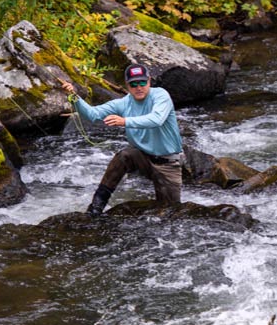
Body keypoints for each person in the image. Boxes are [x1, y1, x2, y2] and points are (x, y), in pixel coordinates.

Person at [60, 64, 184, 216]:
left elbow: (156, 119)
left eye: (142, 82)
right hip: (143, 157)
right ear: (127, 85)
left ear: (149, 81)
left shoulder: (160, 95)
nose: (138, 87)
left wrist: (124, 121)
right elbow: (92, 114)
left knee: (171, 213)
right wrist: (74, 97)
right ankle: (96, 207)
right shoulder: (123, 103)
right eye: (133, 84)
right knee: (124, 156)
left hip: (167, 163)